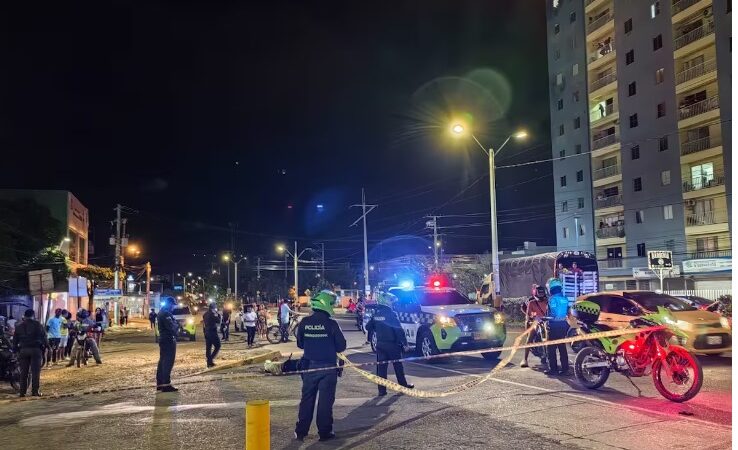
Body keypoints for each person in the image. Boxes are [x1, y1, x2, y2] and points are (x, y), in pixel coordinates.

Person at [294, 291, 346, 442]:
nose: (333, 306)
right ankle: (324, 432)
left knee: (307, 400)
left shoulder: (304, 322)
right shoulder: (332, 324)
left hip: (309, 367)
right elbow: (341, 346)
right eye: (331, 303)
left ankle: (301, 432)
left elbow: (300, 344)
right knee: (325, 402)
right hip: (328, 369)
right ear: (325, 304)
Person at [365, 293, 414, 396]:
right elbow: (399, 330)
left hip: (380, 344)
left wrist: (375, 323)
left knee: (381, 369)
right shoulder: (391, 313)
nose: (392, 303)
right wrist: (405, 344)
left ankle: (382, 391)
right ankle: (403, 386)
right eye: (391, 301)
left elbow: (368, 327)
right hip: (393, 345)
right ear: (386, 302)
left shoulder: (376, 313)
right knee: (398, 367)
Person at [14, 309, 46, 397]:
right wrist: (47, 347)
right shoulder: (38, 324)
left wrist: (16, 351)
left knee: (24, 372)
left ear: (24, 315)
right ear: (33, 315)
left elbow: (15, 341)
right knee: (35, 372)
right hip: (36, 350)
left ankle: (22, 392)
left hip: (23, 350)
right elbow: (44, 337)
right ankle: (35, 391)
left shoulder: (18, 326)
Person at [545, 278, 569, 376]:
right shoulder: (565, 298)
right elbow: (567, 311)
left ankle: (553, 369)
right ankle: (565, 369)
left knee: (551, 348)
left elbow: (551, 314)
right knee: (562, 348)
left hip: (554, 326)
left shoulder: (552, 300)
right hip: (563, 325)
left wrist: (545, 318)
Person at [520, 286, 549, 368]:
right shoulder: (531, 302)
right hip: (535, 323)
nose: (541, 295)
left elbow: (550, 312)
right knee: (529, 338)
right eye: (540, 293)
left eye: (542, 293)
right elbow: (528, 314)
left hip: (545, 322)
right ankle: (525, 359)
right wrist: (531, 319)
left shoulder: (547, 302)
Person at [156, 297, 179, 392]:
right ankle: (166, 384)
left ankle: (160, 383)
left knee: (162, 361)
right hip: (168, 340)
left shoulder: (161, 312)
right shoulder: (166, 314)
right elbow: (172, 328)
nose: (173, 307)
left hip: (164, 339)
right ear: (169, 304)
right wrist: (177, 326)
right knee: (168, 362)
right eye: (173, 305)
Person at [202, 302, 221, 368]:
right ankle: (210, 360)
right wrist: (217, 314)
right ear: (213, 308)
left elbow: (204, 324)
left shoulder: (205, 314)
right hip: (212, 332)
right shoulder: (213, 314)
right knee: (218, 345)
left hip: (206, 332)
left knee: (208, 347)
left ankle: (209, 363)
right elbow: (218, 321)